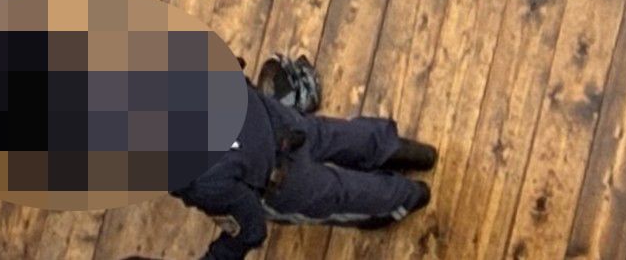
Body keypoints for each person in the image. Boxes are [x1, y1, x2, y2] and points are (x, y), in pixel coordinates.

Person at [148, 81, 433, 260]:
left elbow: (250, 230)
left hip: (280, 180)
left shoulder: (200, 183)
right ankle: (397, 149)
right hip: (270, 116)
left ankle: (406, 198)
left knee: (340, 196)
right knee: (328, 134)